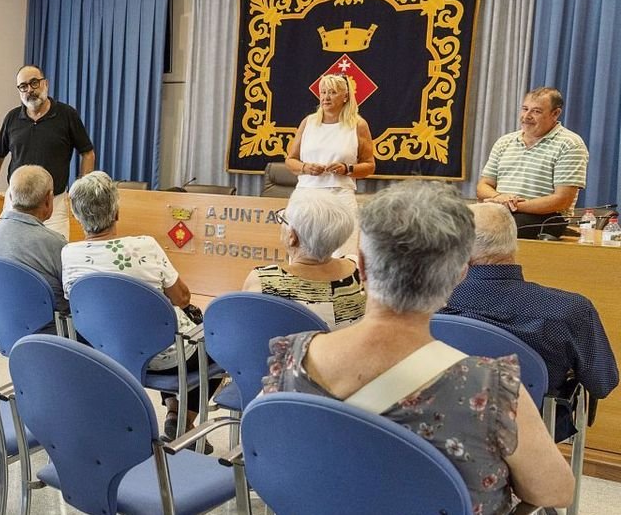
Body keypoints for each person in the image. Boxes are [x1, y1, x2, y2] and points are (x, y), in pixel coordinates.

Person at [262, 181, 574, 514]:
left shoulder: (291, 358)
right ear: (459, 276)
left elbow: (270, 456)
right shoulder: (492, 390)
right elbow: (554, 493)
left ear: (362, 266)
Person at [442, 202, 617, 439]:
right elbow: (602, 382)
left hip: (443, 422)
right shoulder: (570, 310)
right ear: (514, 243)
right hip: (531, 433)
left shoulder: (428, 304)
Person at [62, 171, 214, 442]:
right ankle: (183, 419)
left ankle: (173, 410)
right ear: (117, 211)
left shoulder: (69, 254)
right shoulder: (146, 246)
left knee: (152, 324)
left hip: (104, 353)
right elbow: (182, 298)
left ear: (75, 214)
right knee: (215, 338)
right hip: (165, 357)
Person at [0, 65, 95, 238]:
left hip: (53, 204)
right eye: (23, 86)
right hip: (15, 204)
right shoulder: (12, 118)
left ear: (45, 84)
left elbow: (88, 153)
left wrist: (81, 191)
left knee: (54, 257)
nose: (29, 90)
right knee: (12, 253)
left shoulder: (67, 115)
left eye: (34, 83)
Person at [241, 188, 364, 329]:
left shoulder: (264, 279)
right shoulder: (359, 271)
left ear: (293, 236)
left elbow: (244, 329)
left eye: (283, 219)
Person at [477, 86, 588, 239]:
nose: (526, 116)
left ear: (555, 114)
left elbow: (562, 200)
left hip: (546, 218)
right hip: (501, 210)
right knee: (455, 221)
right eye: (524, 109)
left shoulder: (570, 144)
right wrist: (498, 197)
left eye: (536, 111)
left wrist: (512, 205)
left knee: (495, 229)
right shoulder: (505, 141)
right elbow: (483, 186)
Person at [284, 73, 375, 255]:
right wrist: (305, 168)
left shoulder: (358, 124)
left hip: (340, 194)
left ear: (345, 96)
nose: (325, 97)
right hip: (307, 193)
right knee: (301, 249)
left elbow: (369, 165)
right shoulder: (308, 122)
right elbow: (290, 160)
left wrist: (347, 169)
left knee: (343, 251)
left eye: (332, 92)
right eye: (323, 92)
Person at [0, 165, 68, 324]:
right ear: (49, 199)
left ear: (11, 197)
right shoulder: (56, 243)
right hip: (51, 335)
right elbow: (70, 298)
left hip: (2, 330)